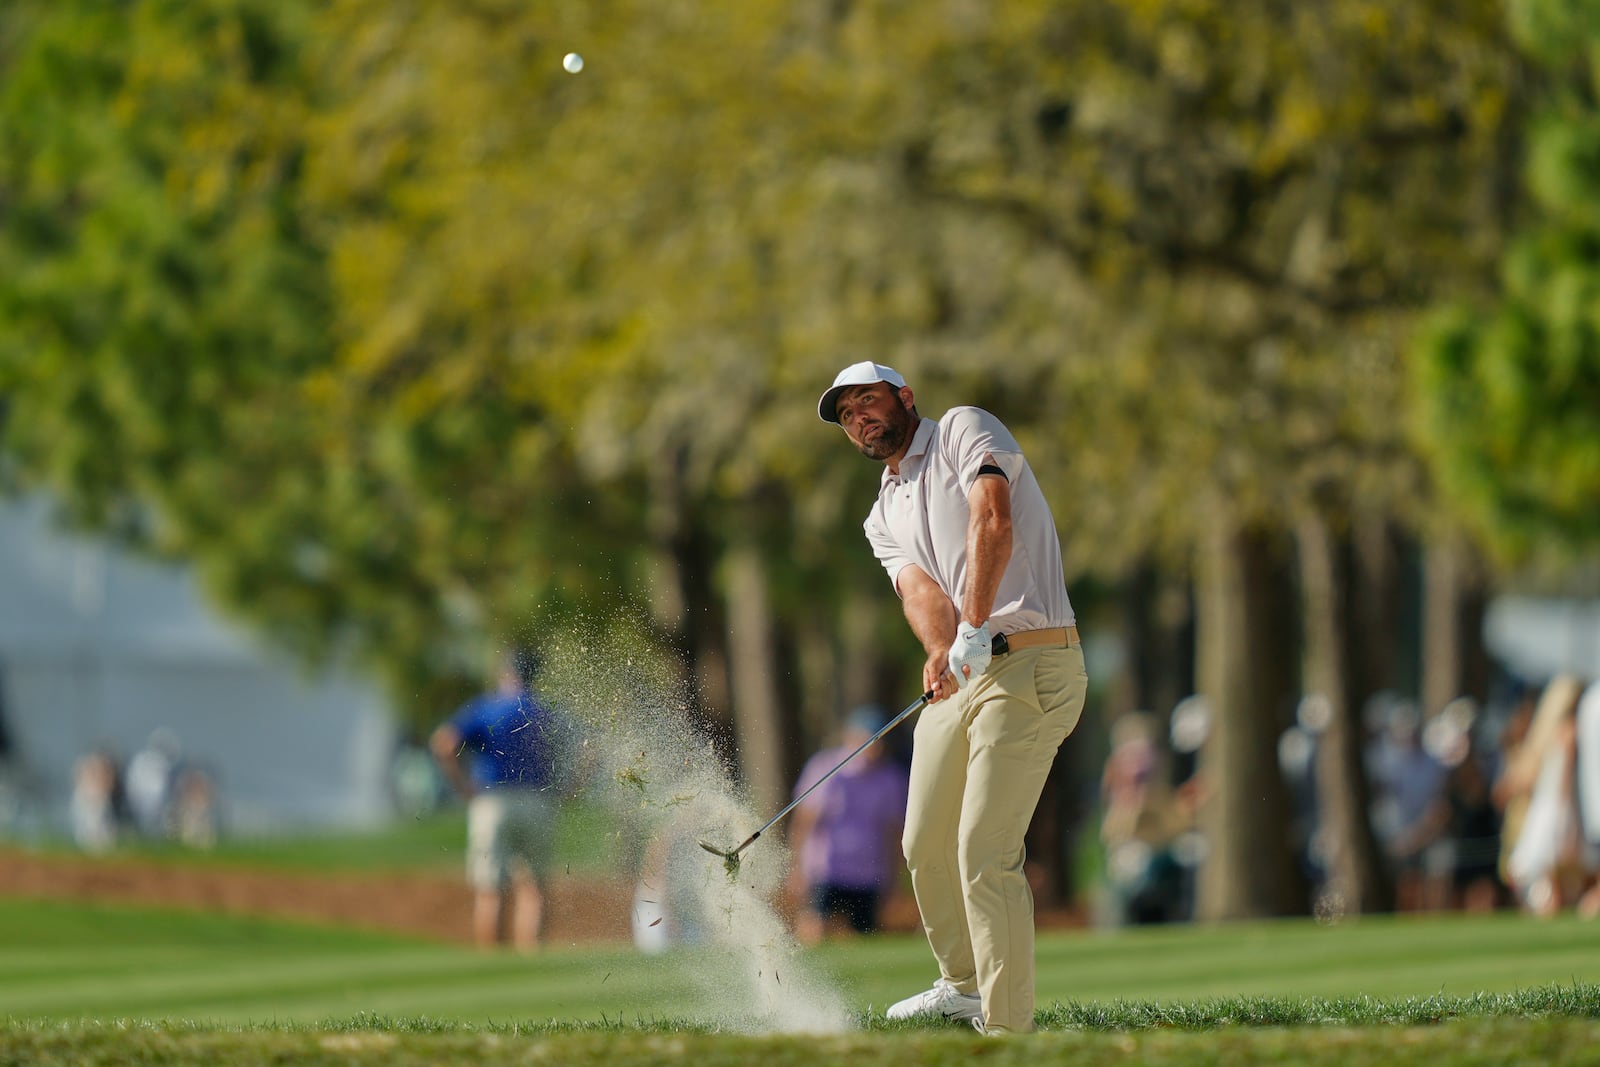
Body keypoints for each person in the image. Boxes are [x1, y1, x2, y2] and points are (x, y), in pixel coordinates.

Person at [818, 361, 1089, 1035]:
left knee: (982, 847)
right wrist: (944, 648)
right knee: (923, 840)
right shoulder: (882, 510)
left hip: (1035, 660)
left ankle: (1005, 1028)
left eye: (869, 401)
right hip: (968, 674)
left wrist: (971, 627)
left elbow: (991, 519)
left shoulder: (965, 430)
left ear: (905, 397)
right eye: (847, 413)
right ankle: (965, 983)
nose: (859, 417)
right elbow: (918, 591)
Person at [430, 648, 570, 951]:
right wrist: (571, 787)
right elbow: (589, 748)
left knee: (491, 891)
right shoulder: (545, 710)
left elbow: (443, 743)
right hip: (538, 802)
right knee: (535, 890)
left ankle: (493, 967)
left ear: (505, 673)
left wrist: (462, 787)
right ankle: (532, 963)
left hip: (492, 802)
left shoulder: (486, 708)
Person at [786, 704, 911, 944]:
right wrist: (796, 868)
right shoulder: (825, 767)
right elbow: (804, 822)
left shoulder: (890, 778)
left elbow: (894, 833)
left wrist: (894, 879)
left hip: (868, 873)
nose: (875, 746)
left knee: (864, 940)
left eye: (880, 738)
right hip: (825, 870)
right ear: (850, 736)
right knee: (814, 930)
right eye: (869, 737)